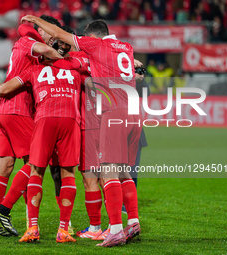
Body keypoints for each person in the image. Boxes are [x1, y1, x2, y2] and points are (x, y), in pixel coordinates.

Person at [21, 16, 142, 247]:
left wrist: (36, 20)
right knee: (124, 172)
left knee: (107, 173)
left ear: (93, 37)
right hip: (134, 113)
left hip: (112, 113)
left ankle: (114, 229)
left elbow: (63, 40)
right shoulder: (125, 48)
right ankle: (133, 221)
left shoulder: (96, 46)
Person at [0, 63, 89, 243]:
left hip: (44, 118)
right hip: (70, 119)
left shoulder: (33, 69)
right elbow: (97, 83)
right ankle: (64, 229)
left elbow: (7, 88)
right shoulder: (76, 69)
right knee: (67, 173)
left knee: (36, 170)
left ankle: (32, 227)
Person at [0, 15, 63, 237]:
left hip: (3, 110)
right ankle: (4, 211)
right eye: (51, 32)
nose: (54, 37)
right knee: (38, 161)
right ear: (41, 30)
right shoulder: (29, 41)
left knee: (5, 166)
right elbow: (48, 52)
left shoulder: (24, 44)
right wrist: (66, 57)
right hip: (17, 110)